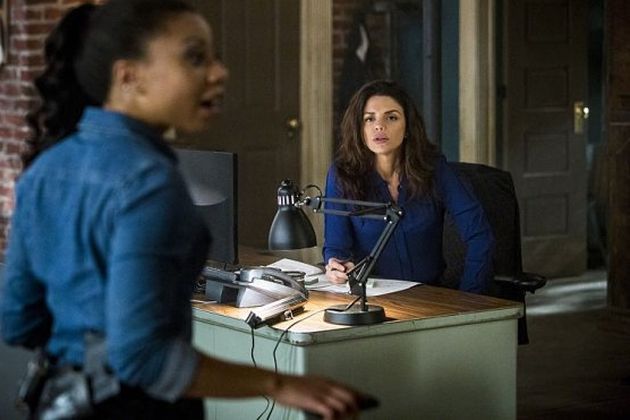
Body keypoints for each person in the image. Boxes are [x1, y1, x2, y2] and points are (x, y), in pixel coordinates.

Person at [0, 1, 365, 419]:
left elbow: (18, 320)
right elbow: (144, 360)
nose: (219, 72)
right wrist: (278, 384)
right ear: (128, 76)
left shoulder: (46, 169)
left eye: (214, 58)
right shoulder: (150, 184)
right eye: (195, 58)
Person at [324, 80, 495, 294]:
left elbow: (479, 235)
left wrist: (471, 297)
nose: (379, 126)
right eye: (369, 118)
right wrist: (337, 266)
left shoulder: (434, 169)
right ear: (359, 129)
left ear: (407, 128)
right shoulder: (342, 175)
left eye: (391, 117)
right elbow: (336, 247)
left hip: (429, 296)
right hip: (372, 299)